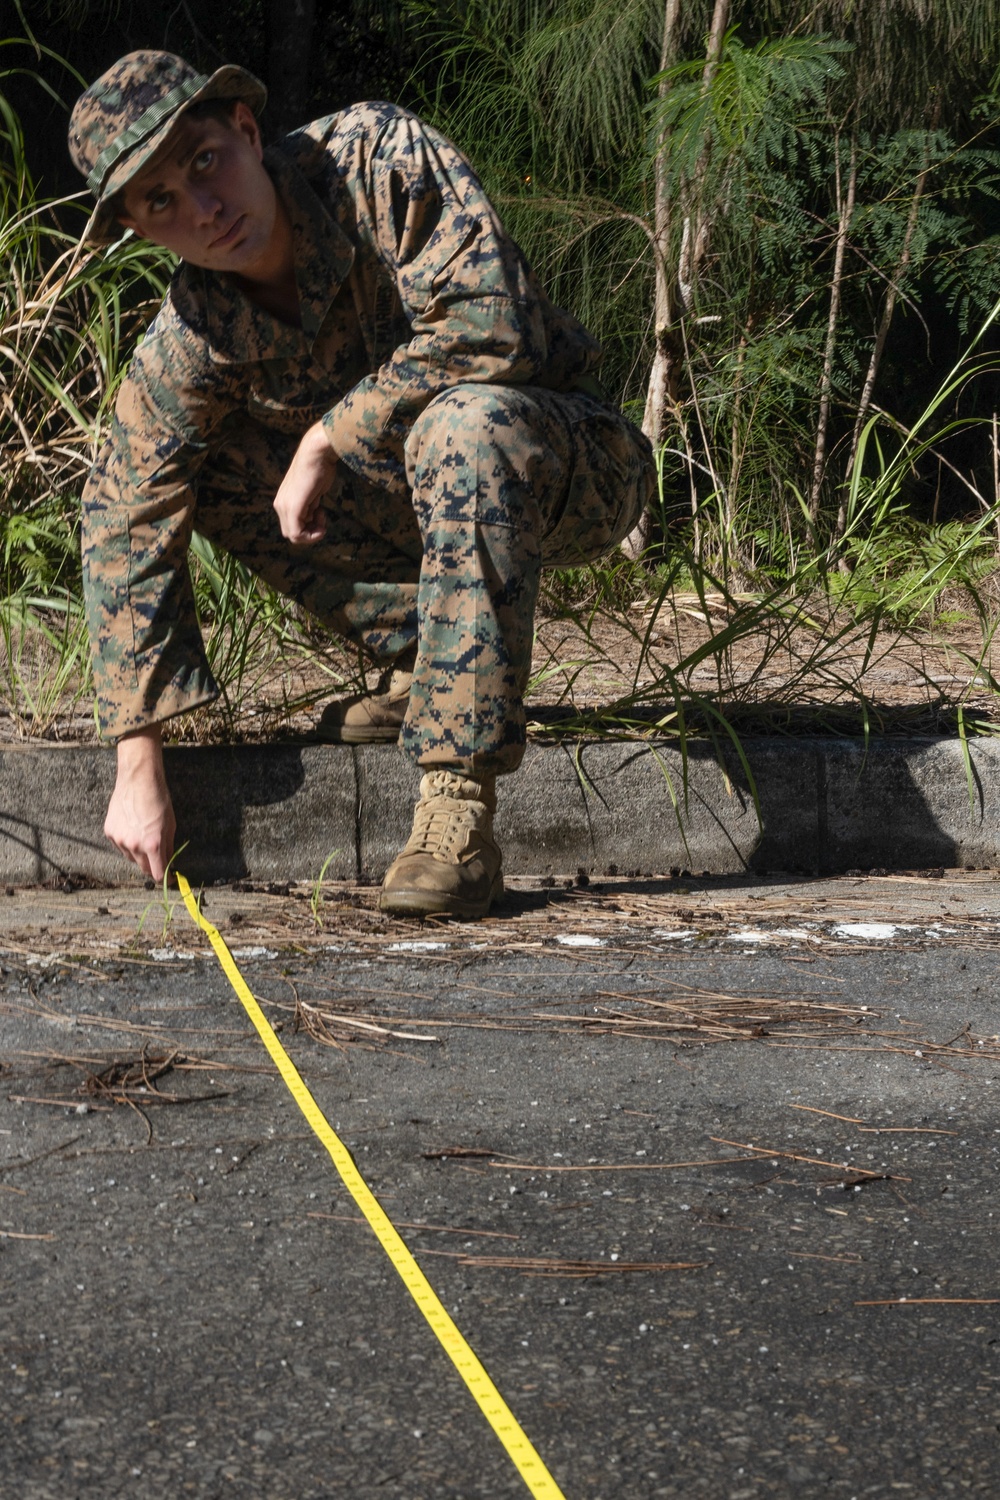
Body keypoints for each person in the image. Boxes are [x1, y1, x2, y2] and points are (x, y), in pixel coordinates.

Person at [68, 50, 654, 919]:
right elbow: (122, 517)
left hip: (567, 461)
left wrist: (328, 435)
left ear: (244, 127)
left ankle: (456, 809)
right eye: (161, 202)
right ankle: (432, 662)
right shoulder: (192, 334)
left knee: (466, 426)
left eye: (203, 162)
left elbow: (496, 320)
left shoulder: (373, 159)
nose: (205, 208)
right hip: (417, 510)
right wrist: (138, 761)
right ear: (140, 230)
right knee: (208, 472)